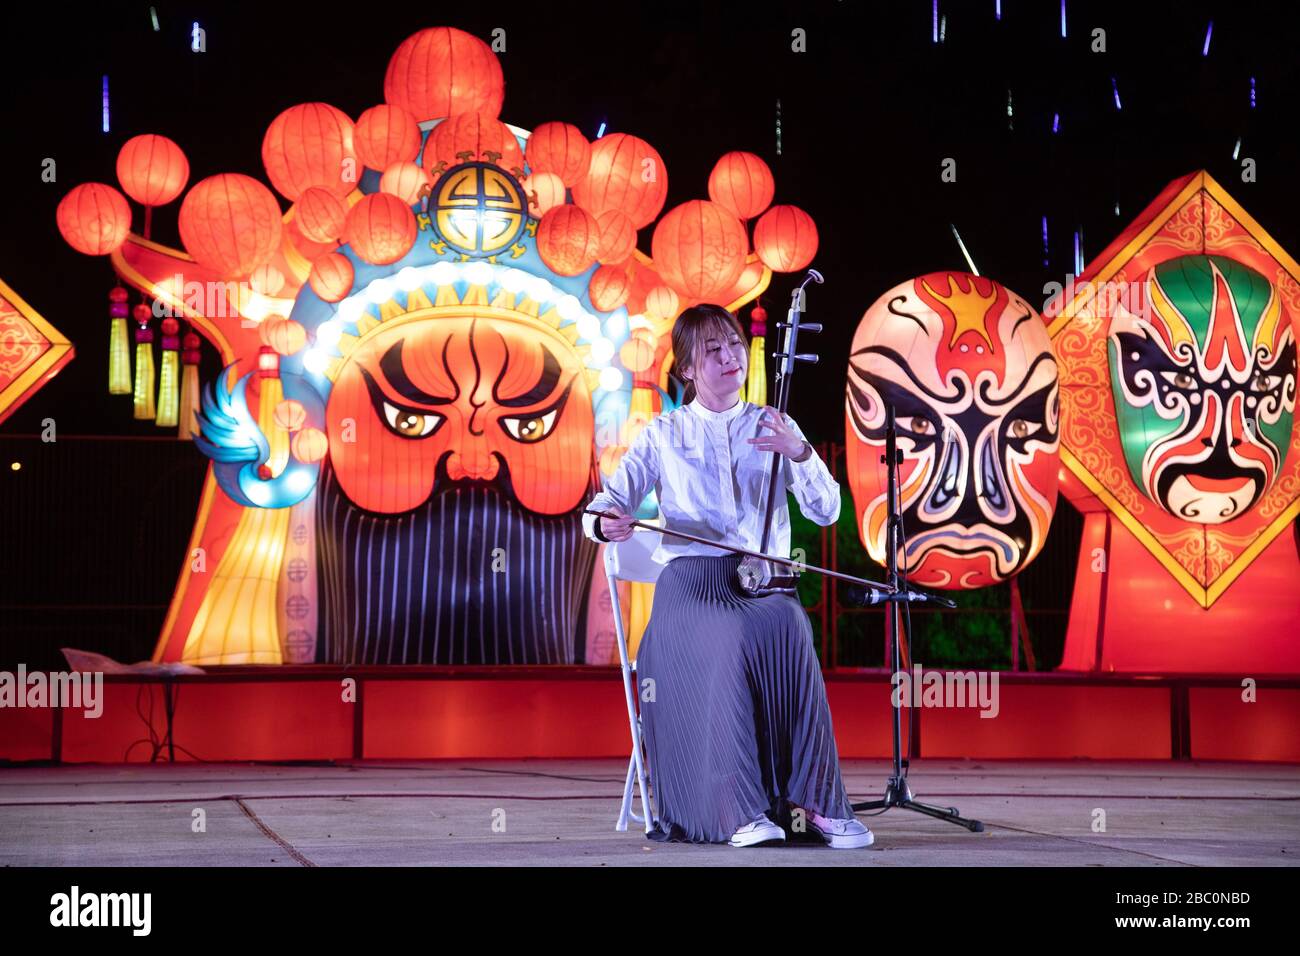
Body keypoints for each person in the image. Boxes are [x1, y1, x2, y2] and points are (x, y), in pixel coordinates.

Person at [582, 303, 873, 849]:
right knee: (732, 636)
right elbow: (603, 507)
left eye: (734, 345)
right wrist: (607, 524)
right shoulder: (663, 434)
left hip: (762, 584)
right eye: (712, 349)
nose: (729, 356)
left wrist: (801, 453)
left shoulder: (775, 424)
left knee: (791, 628)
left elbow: (828, 511)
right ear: (687, 368)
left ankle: (815, 804)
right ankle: (735, 811)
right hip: (691, 588)